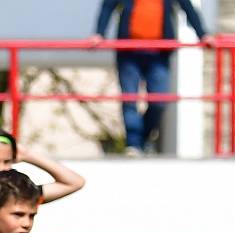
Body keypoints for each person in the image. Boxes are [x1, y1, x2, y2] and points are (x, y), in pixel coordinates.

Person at [91, 0, 214, 155]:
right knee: (129, 100)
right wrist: (99, 33)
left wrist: (203, 34)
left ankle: (142, 139)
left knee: (159, 101)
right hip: (128, 53)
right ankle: (133, 144)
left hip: (159, 54)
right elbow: (108, 6)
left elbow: (187, 7)